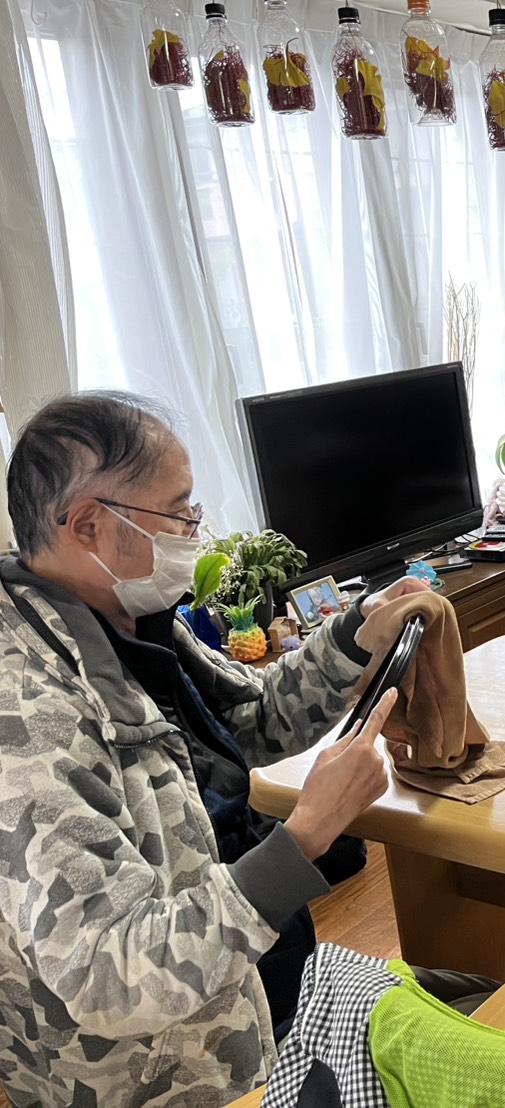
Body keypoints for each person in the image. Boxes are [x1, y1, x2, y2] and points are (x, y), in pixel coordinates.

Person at [0, 392, 447, 1106]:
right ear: (88, 525)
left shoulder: (126, 616)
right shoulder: (29, 718)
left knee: (471, 1010)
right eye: (178, 513)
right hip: (177, 1076)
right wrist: (303, 838)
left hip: (254, 995)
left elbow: (250, 717)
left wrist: (354, 635)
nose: (194, 532)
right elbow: (108, 973)